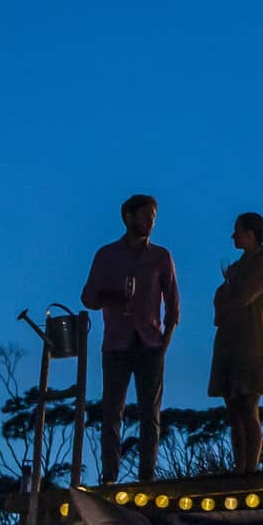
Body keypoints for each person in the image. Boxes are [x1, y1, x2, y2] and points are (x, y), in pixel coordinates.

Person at [81, 194, 179, 482]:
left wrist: (165, 343)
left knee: (150, 414)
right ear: (128, 217)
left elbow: (173, 305)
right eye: (145, 215)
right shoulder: (107, 255)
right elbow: (88, 297)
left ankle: (147, 475)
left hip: (150, 343)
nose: (149, 222)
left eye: (153, 217)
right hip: (116, 343)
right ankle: (110, 475)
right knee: (112, 413)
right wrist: (111, 296)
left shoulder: (161, 257)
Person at [211, 212, 263, 473]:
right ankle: (240, 466)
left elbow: (241, 298)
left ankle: (249, 468)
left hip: (251, 346)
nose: (233, 236)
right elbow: (221, 305)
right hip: (230, 344)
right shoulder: (239, 267)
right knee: (234, 412)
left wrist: (226, 297)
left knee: (248, 407)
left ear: (250, 234)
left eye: (238, 231)